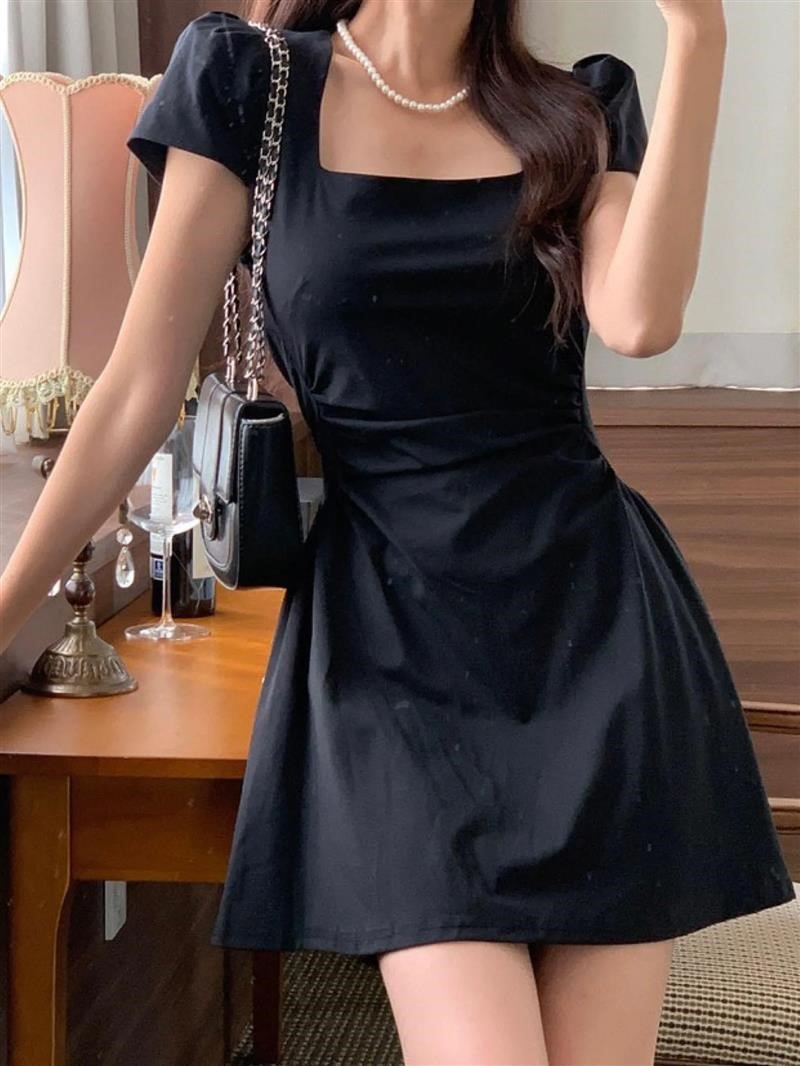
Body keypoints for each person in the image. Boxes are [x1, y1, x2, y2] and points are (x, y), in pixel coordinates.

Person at [1, 1, 794, 1063]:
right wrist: (5, 615)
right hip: (388, 650)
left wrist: (699, 38)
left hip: (592, 639)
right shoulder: (250, 85)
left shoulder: (580, 108)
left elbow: (641, 321)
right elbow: (140, 387)